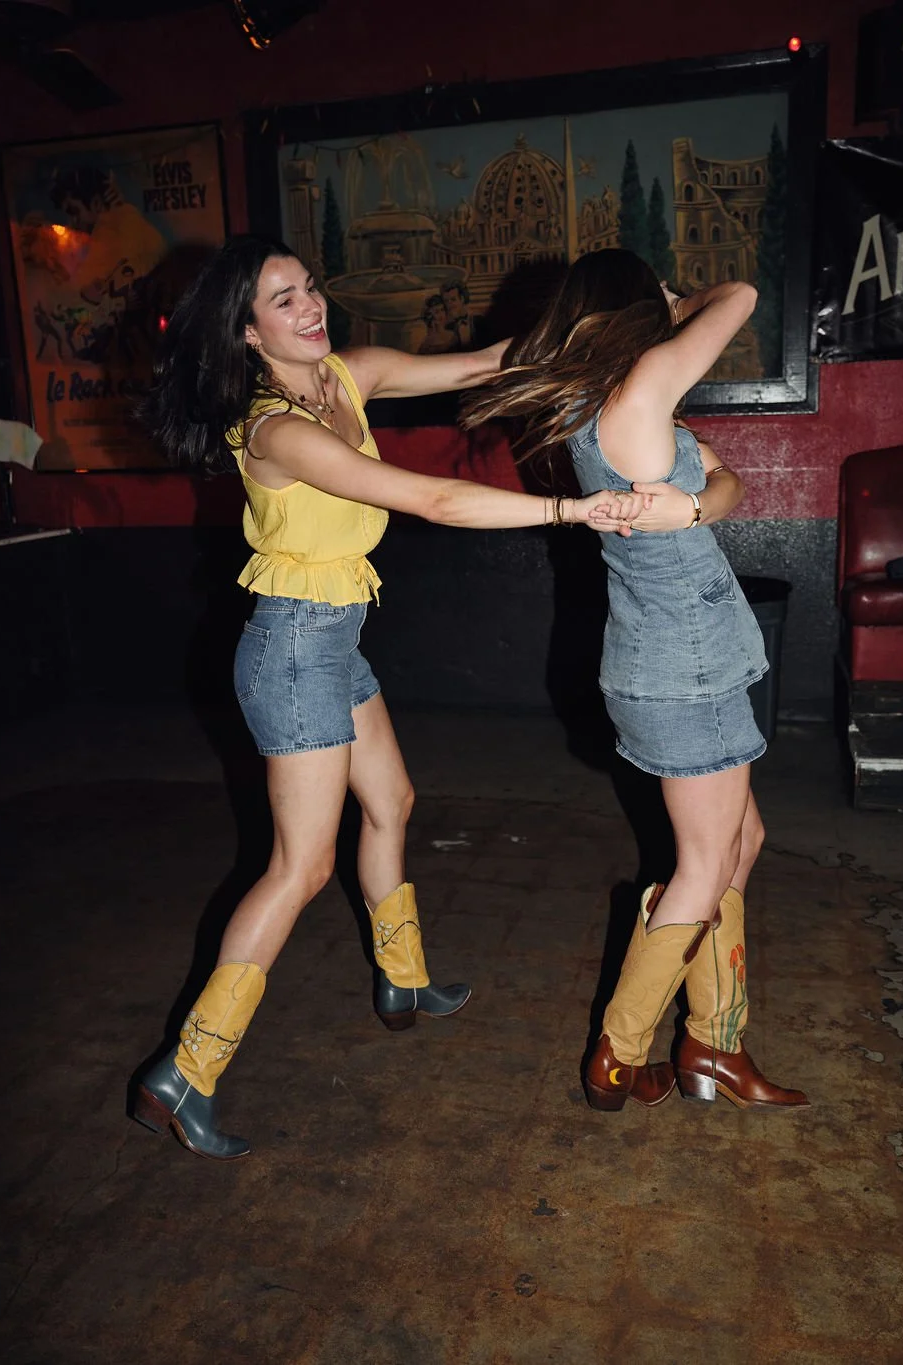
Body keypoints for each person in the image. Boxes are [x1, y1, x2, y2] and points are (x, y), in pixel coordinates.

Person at [133, 234, 636, 1160]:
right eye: (283, 300)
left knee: (393, 802)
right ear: (247, 332)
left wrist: (595, 324)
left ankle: (402, 979)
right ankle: (186, 1071)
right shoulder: (276, 429)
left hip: (331, 639)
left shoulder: (346, 375)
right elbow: (432, 500)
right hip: (293, 651)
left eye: (310, 287)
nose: (310, 306)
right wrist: (573, 510)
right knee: (300, 866)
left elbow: (484, 362)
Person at [461, 249, 808, 1114]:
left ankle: (714, 1044)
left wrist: (695, 502)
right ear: (636, 309)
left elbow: (726, 484)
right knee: (707, 861)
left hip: (679, 656)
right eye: (657, 297)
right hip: (685, 664)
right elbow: (742, 294)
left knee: (739, 842)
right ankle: (620, 1054)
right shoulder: (640, 394)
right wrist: (682, 301)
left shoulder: (610, 406)